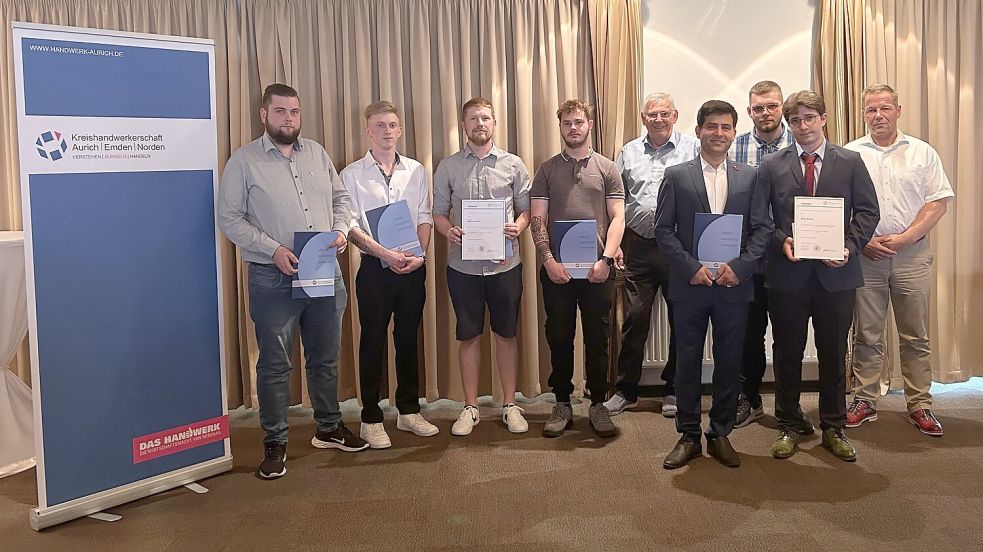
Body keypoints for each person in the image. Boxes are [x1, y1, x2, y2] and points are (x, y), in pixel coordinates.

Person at [218, 83, 368, 480]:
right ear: (264, 115)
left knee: (325, 356)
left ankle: (329, 426)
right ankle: (275, 440)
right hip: (273, 276)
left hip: (322, 270)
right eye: (281, 111)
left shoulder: (317, 153)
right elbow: (229, 217)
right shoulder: (244, 161)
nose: (289, 119)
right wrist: (272, 250)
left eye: (295, 112)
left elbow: (341, 200)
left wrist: (339, 231)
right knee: (275, 364)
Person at [760, 90, 880, 462]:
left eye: (809, 118)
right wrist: (782, 241)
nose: (802, 126)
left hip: (837, 276)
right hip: (788, 275)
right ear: (788, 124)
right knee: (787, 352)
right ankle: (788, 423)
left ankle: (834, 426)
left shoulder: (851, 161)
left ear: (824, 119)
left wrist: (849, 246)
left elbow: (867, 212)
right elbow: (760, 219)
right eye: (795, 120)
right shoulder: (772, 165)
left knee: (832, 352)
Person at [655, 100, 772, 469]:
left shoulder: (750, 176)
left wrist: (740, 267)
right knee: (687, 363)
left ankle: (720, 432)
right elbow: (663, 230)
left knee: (729, 363)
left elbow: (762, 229)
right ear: (699, 130)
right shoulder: (677, 175)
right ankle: (688, 435)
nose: (718, 133)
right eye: (712, 127)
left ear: (733, 133)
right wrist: (690, 267)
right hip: (690, 285)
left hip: (733, 286)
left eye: (726, 127)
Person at [845, 84, 954, 436]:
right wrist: (862, 240)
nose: (878, 115)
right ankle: (864, 399)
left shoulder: (922, 152)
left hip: (912, 254)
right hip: (866, 255)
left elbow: (937, 201)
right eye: (871, 110)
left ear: (898, 110)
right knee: (867, 334)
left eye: (885, 108)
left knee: (915, 335)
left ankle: (920, 404)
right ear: (864, 114)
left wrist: (908, 236)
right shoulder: (849, 154)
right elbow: (840, 206)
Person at [340, 101, 438, 449]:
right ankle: (370, 417)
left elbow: (425, 216)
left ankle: (409, 411)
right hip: (374, 269)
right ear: (368, 131)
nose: (386, 131)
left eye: (392, 125)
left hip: (412, 267)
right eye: (379, 125)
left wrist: (420, 255)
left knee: (408, 338)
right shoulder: (351, 174)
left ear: (400, 130)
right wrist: (383, 253)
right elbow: (349, 225)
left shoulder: (416, 170)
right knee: (372, 341)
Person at [433, 97, 532, 436]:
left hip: (506, 266)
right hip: (462, 268)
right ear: (464, 125)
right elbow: (438, 214)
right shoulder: (447, 166)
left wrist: (517, 228)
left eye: (485, 118)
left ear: (494, 123)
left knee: (506, 334)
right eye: (473, 118)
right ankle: (471, 407)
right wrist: (450, 231)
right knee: (469, 336)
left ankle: (509, 404)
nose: (479, 124)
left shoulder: (513, 164)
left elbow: (526, 210)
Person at [531, 99, 625, 438]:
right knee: (559, 336)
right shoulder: (546, 170)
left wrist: (607, 258)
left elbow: (617, 217)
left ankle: (598, 403)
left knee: (599, 338)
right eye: (567, 122)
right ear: (561, 127)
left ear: (588, 125)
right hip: (558, 271)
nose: (573, 127)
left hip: (598, 269)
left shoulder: (607, 168)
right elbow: (538, 219)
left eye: (579, 122)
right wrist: (548, 260)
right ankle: (562, 402)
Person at [604, 93, 699, 418]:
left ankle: (674, 390)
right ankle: (625, 391)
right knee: (635, 319)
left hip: (680, 248)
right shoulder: (629, 151)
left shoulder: (692, 149)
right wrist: (614, 244)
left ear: (675, 115)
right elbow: (617, 200)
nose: (658, 119)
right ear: (643, 118)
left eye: (664, 114)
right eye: (651, 114)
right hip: (639, 246)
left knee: (681, 321)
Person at [729, 80, 795, 428]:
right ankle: (749, 400)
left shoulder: (800, 146)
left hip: (790, 259)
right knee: (747, 335)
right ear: (749, 110)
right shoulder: (733, 148)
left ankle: (788, 408)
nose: (766, 113)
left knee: (787, 336)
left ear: (781, 106)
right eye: (758, 108)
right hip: (748, 260)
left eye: (772, 106)